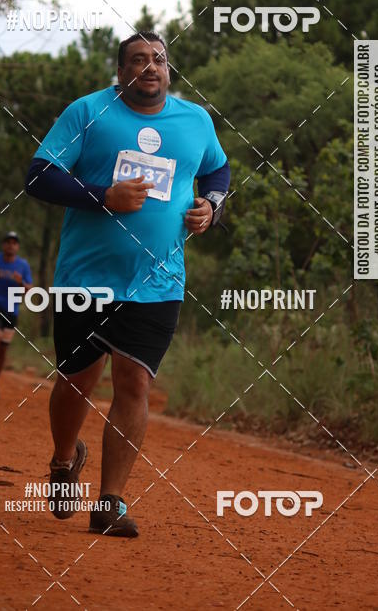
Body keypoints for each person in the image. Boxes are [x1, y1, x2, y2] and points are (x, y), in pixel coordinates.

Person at [25, 31, 230, 537]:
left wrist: (213, 208)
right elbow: (38, 176)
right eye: (138, 60)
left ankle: (110, 501)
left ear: (169, 69)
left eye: (159, 59)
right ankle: (63, 457)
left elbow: (219, 171)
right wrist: (102, 197)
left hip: (158, 280)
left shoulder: (195, 120)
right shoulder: (87, 112)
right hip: (86, 278)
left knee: (134, 381)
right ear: (121, 72)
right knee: (77, 379)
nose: (150, 67)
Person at [0, 231, 33, 398]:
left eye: (14, 242)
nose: (11, 245)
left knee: (3, 349)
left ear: (17, 246)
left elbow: (30, 290)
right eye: (8, 242)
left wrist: (21, 283)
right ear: (3, 245)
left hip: (11, 308)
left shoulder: (23, 265)